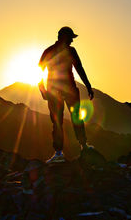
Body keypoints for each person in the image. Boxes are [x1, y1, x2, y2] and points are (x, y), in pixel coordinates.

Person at [38, 26, 94, 163]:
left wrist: (43, 90)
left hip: (55, 91)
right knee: (74, 118)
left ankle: (60, 152)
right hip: (68, 89)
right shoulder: (69, 51)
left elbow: (38, 73)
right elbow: (79, 69)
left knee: (58, 122)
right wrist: (88, 86)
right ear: (63, 37)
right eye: (70, 38)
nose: (72, 41)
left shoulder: (49, 51)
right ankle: (81, 146)